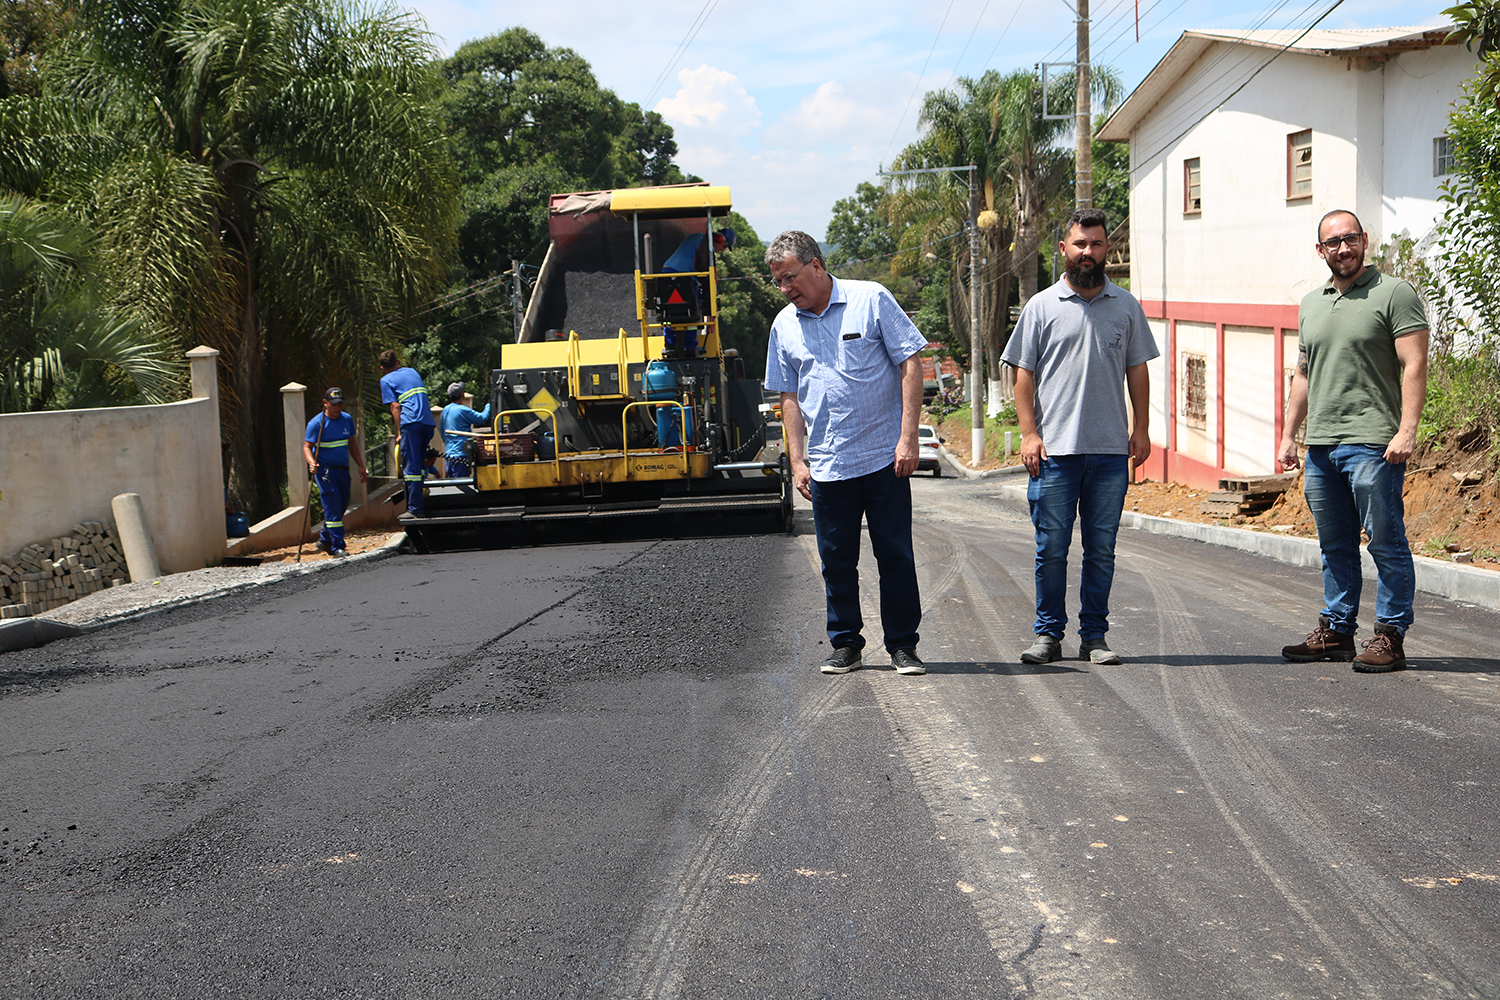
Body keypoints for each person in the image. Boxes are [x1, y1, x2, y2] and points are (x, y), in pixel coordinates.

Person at [763, 230, 929, 677]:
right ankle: (846, 645)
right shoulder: (784, 326)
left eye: (790, 277)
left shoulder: (870, 299)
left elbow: (911, 360)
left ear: (816, 265)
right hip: (828, 464)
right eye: (778, 281)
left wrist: (908, 437)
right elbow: (790, 397)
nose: (785, 289)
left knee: (895, 555)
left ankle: (902, 646)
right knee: (836, 560)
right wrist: (797, 460)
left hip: (883, 458)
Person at [1000, 207, 1159, 666]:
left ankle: (1095, 637)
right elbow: (1022, 376)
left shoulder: (1126, 305)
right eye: (1079, 244)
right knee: (1050, 550)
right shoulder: (1041, 306)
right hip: (1054, 454)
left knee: (1101, 550)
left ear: (1107, 248)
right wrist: (1028, 434)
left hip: (1110, 453)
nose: (1087, 252)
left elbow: (1137, 370)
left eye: (1096, 244)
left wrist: (1142, 429)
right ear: (1064, 249)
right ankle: (1048, 636)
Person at [1278, 209, 1429, 672]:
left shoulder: (1394, 293)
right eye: (1333, 242)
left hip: (1374, 443)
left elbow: (1415, 364)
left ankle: (1390, 635)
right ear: (1319, 250)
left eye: (1350, 239)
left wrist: (1407, 430)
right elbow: (1304, 373)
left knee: (1384, 540)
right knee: (1335, 544)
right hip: (1321, 445)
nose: (1343, 249)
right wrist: (1289, 436)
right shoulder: (1311, 303)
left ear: (1364, 240)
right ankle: (1339, 632)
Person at [302, 387, 369, 556]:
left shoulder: (346, 419)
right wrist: (312, 463)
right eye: (333, 405)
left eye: (340, 404)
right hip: (325, 472)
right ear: (325, 404)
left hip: (342, 471)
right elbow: (307, 447)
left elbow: (352, 444)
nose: (337, 408)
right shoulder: (316, 423)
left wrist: (361, 465)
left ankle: (325, 539)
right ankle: (338, 546)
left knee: (340, 507)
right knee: (332, 507)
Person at [378, 349, 435, 516]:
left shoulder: (386, 380)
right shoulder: (412, 371)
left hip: (411, 424)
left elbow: (395, 406)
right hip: (428, 423)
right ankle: (422, 498)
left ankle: (416, 509)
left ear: (382, 368)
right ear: (398, 363)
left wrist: (400, 431)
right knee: (420, 464)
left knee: (411, 468)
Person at [439, 381, 492, 479]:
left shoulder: (446, 409)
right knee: (461, 487)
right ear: (462, 394)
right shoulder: (462, 410)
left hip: (449, 454)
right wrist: (489, 404)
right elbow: (482, 418)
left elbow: (441, 429)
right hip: (461, 454)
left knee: (453, 486)